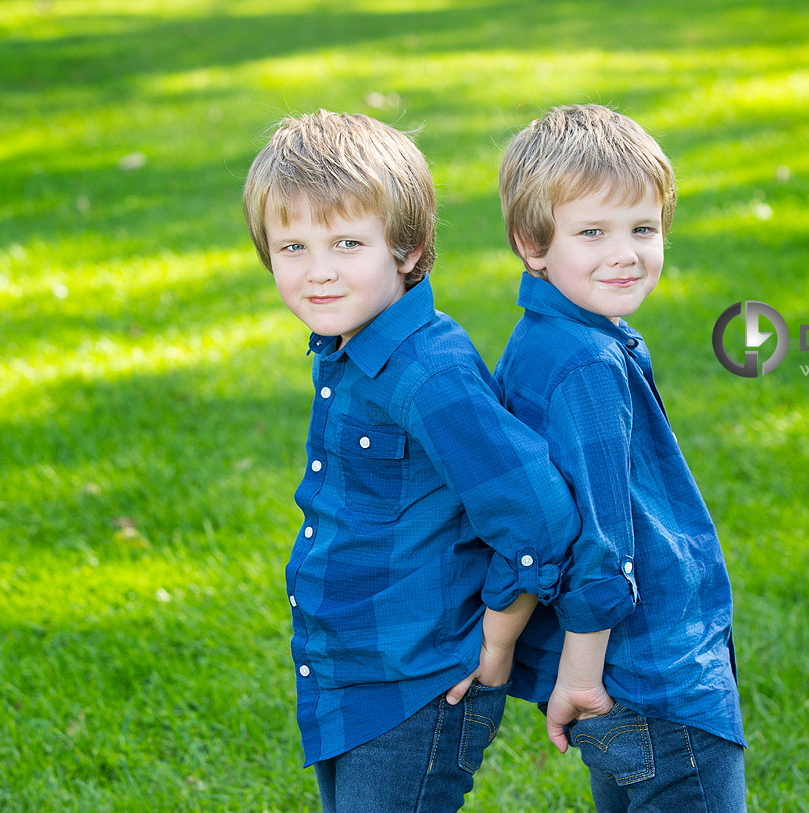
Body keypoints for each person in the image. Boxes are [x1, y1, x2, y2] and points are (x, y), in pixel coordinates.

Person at [242, 110, 629, 812]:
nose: (318, 271)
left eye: (347, 242)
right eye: (293, 245)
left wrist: (497, 634)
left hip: (419, 683)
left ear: (408, 249)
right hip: (357, 675)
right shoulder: (349, 351)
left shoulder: (428, 372)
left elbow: (540, 515)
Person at [494, 104, 748, 813]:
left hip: (620, 678)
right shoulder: (585, 365)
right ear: (532, 243)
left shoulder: (548, 337)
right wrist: (581, 663)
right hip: (652, 675)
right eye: (592, 232)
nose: (625, 252)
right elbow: (598, 534)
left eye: (643, 228)